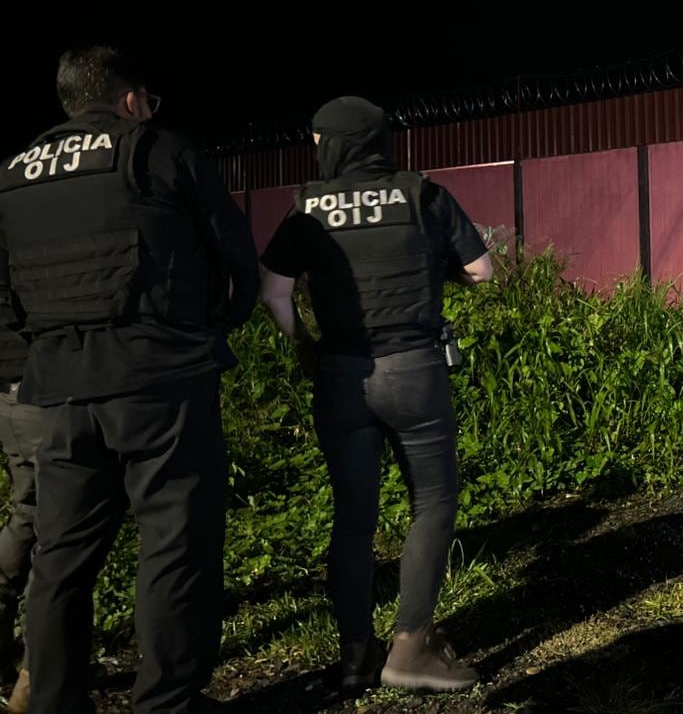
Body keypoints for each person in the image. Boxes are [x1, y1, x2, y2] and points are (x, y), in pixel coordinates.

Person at [0, 46, 260, 714]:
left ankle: (55, 700)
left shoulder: (16, 172)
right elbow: (237, 262)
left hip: (58, 392)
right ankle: (168, 701)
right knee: (174, 544)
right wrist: (208, 332)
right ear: (128, 99)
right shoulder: (160, 151)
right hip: (160, 381)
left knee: (59, 558)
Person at [259, 96, 493, 695]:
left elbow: (274, 291)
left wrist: (306, 346)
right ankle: (411, 645)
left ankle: (354, 659)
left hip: (340, 375)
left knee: (353, 519)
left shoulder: (307, 209)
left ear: (334, 144)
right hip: (415, 371)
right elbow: (482, 271)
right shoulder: (422, 195)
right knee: (435, 502)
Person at [0, 327, 42, 713]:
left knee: (27, 513)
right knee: (59, 531)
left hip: (9, 390)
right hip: (45, 387)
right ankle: (38, 674)